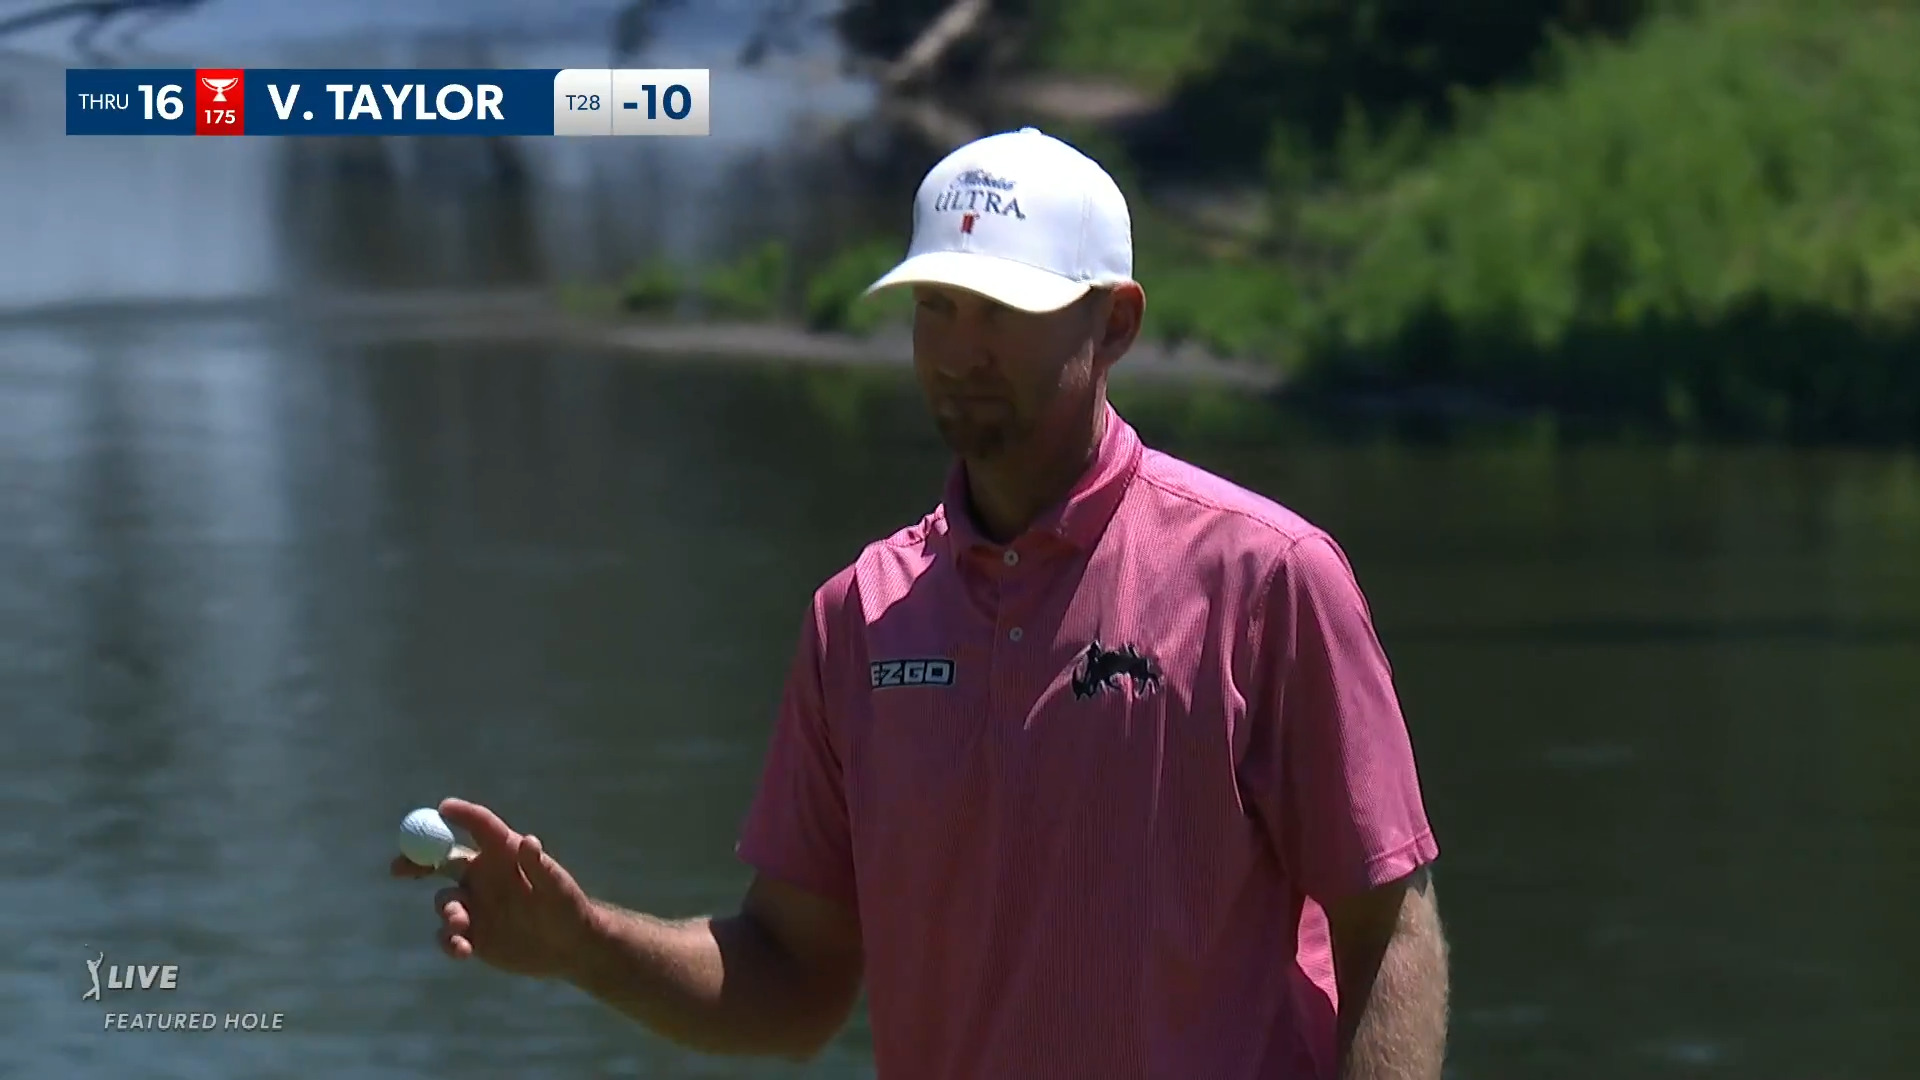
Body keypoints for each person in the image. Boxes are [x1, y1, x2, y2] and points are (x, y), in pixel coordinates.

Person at [392, 126, 1449, 1079]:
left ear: (1115, 322)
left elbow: (1388, 935)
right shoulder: (860, 616)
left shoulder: (1266, 579)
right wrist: (587, 949)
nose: (959, 348)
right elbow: (794, 980)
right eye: (936, 306)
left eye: (1004, 310)